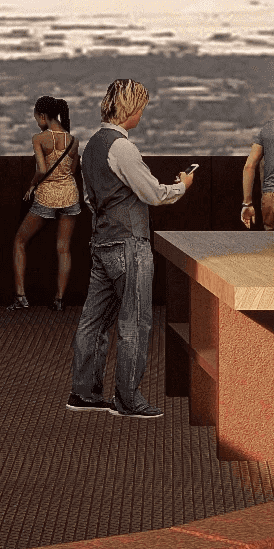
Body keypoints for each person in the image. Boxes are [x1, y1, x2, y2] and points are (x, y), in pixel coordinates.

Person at [69, 79, 189, 419]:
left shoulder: (92, 145)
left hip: (102, 241)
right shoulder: (122, 148)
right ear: (130, 108)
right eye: (141, 108)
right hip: (130, 244)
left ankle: (84, 393)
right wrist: (182, 186)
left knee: (93, 322)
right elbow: (153, 193)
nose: (142, 114)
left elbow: (90, 199)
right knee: (135, 322)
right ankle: (127, 399)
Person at [9, 96, 83, 308]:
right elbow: (72, 171)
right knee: (63, 248)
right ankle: (59, 299)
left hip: (47, 195)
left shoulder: (39, 139)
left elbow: (41, 169)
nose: (36, 122)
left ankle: (21, 297)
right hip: (70, 195)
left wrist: (32, 185)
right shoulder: (73, 140)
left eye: (35, 117)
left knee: (19, 242)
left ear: (43, 116)